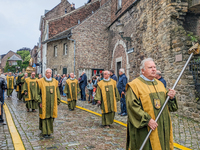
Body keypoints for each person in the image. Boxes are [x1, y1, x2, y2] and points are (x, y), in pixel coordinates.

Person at [125, 58, 178, 150]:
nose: (154, 69)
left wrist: (171, 97)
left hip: (161, 126)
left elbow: (170, 107)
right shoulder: (134, 85)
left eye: (154, 67)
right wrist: (147, 120)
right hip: (145, 128)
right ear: (142, 71)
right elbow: (132, 107)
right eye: (150, 67)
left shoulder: (160, 84)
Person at [37, 68, 61, 137]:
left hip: (52, 103)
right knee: (44, 117)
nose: (49, 74)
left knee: (51, 117)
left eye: (50, 73)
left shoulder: (55, 82)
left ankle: (49, 131)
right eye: (47, 72)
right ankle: (44, 132)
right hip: (44, 103)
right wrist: (39, 101)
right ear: (45, 73)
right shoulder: (40, 81)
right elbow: (38, 93)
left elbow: (57, 92)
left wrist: (58, 100)